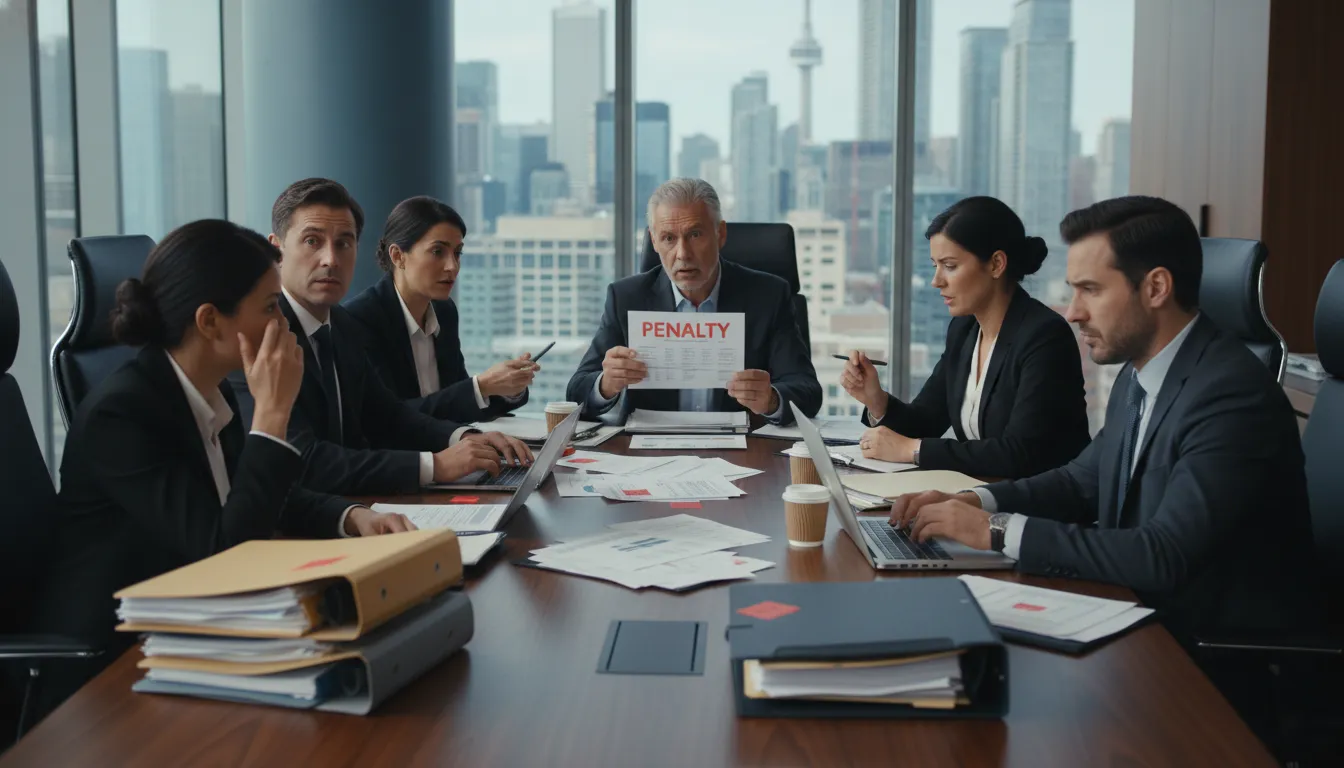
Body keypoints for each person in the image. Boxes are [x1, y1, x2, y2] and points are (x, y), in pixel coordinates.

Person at [29, 220, 415, 718]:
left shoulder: (205, 388)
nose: (283, 323)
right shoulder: (121, 414)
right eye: (271, 307)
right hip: (110, 673)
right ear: (211, 321)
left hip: (192, 635)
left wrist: (350, 517)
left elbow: (251, 493)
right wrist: (273, 415)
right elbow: (225, 556)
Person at [887, 196, 1315, 643]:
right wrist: (974, 501)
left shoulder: (1230, 395)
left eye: (1090, 289)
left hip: (1217, 655)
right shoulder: (1140, 374)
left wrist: (995, 532)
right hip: (1139, 615)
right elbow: (1081, 482)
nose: (1073, 311)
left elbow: (1163, 554)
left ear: (1155, 288)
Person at [228, 178, 532, 496]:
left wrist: (464, 438)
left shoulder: (341, 325)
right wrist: (435, 466)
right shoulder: (257, 338)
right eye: (312, 241)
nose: (331, 259)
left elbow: (389, 416)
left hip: (354, 505)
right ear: (276, 250)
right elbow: (301, 460)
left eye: (344, 243)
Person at [842, 196, 1090, 478]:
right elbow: (927, 420)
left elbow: (1020, 453)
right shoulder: (964, 330)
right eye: (935, 265)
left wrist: (913, 450)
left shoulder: (1044, 336)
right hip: (982, 496)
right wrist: (876, 400)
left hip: (1041, 510)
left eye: (949, 265)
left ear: (996, 264)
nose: (937, 280)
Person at [566, 177, 822, 424]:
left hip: (744, 451)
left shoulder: (769, 296)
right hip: (649, 454)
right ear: (654, 241)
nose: (683, 254)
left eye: (696, 234)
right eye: (668, 238)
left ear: (720, 234)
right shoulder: (626, 298)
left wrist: (771, 400)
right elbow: (576, 392)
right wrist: (606, 384)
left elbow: (807, 391)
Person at [344, 196, 537, 422]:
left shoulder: (444, 312)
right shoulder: (359, 320)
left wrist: (508, 388)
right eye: (438, 252)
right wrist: (481, 386)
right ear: (398, 256)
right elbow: (388, 420)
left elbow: (456, 401)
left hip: (450, 449)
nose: (452, 266)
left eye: (457, 253)